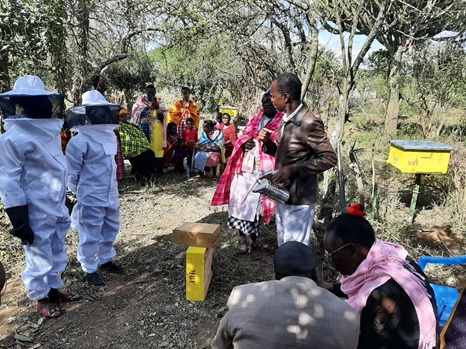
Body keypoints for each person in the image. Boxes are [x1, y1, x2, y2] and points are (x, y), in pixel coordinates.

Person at [0, 75, 80, 318]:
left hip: (54, 202)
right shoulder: (11, 138)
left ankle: (54, 291)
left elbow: (57, 166)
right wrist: (18, 216)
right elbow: (8, 179)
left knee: (56, 248)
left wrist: (63, 197)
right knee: (38, 252)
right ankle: (41, 298)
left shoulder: (49, 132)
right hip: (32, 207)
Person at [320, 203, 439, 349]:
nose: (331, 262)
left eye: (333, 254)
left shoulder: (383, 296)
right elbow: (365, 284)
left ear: (353, 250)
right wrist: (331, 287)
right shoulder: (390, 257)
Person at [211, 241, 360, 349]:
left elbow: (220, 345)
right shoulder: (349, 316)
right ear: (317, 272)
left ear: (276, 274)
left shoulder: (242, 296)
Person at [260, 72, 337, 247]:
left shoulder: (309, 122)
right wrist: (267, 143)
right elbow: (285, 153)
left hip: (300, 199)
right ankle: (285, 275)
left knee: (295, 249)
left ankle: (297, 275)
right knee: (284, 245)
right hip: (284, 194)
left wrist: (294, 168)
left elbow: (329, 158)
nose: (271, 100)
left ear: (286, 97)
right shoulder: (286, 120)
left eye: (274, 96)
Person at [212, 91, 283, 252]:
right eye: (264, 100)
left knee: (255, 205)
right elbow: (244, 136)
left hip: (264, 168)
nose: (266, 103)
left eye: (270, 100)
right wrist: (246, 144)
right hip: (246, 166)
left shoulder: (282, 121)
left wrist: (264, 140)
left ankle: (252, 239)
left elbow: (280, 143)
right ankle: (240, 238)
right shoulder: (255, 118)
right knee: (239, 200)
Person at [66, 90, 124, 286]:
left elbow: (112, 166)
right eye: (95, 112)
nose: (100, 115)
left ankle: (106, 259)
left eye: (102, 111)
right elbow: (71, 173)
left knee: (111, 227)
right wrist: (80, 193)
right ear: (87, 114)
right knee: (90, 232)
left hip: (111, 193)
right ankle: (89, 268)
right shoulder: (78, 141)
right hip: (91, 195)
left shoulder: (110, 136)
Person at [118, 107, 162, 183]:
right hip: (131, 149)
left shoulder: (132, 125)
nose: (124, 118)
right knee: (144, 156)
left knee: (150, 153)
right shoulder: (119, 126)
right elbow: (125, 138)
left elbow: (139, 134)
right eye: (121, 116)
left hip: (141, 147)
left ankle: (147, 176)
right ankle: (143, 176)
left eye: (125, 115)